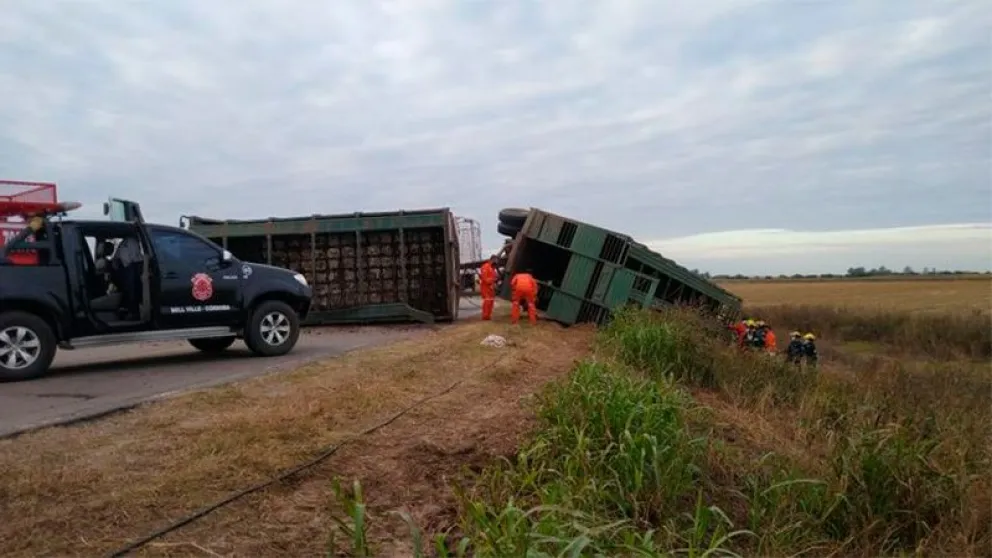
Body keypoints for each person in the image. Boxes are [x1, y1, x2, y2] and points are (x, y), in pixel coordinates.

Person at [112, 235, 144, 320]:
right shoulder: (132, 241)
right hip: (127, 268)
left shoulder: (124, 242)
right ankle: (133, 311)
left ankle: (129, 309)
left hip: (122, 269)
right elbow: (136, 260)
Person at [478, 255, 499, 321]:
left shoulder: (492, 268)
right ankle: (485, 316)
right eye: (495, 261)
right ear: (492, 259)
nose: (496, 263)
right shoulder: (485, 267)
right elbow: (485, 279)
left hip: (491, 288)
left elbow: (495, 277)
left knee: (491, 301)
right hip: (485, 287)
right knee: (487, 301)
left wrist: (495, 281)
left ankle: (488, 316)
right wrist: (493, 280)